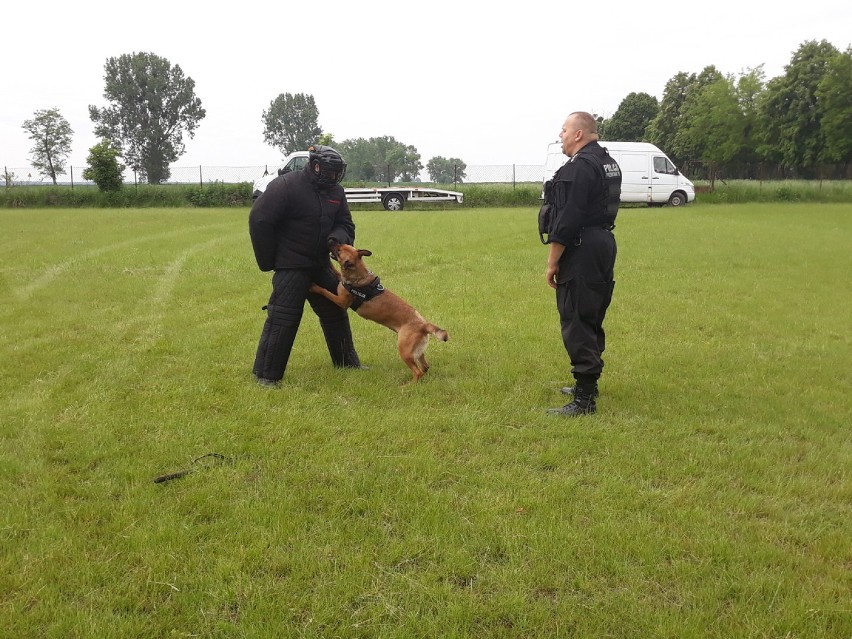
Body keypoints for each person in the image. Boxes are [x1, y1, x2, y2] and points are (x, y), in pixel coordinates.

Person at [248, 145, 362, 387]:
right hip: (291, 265)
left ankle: (347, 362)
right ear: (316, 166)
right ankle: (266, 375)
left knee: (335, 312)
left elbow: (346, 224)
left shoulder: (336, 193)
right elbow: (259, 219)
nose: (334, 177)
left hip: (320, 263)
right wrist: (269, 260)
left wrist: (336, 241)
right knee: (283, 317)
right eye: (330, 172)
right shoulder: (286, 186)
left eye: (337, 172)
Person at [543, 112, 622, 416]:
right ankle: (587, 385)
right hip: (603, 243)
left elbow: (567, 221)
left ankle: (584, 401)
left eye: (563, 130)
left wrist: (553, 262)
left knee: (576, 317)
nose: (560, 135)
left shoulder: (579, 168)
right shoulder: (606, 161)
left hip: (582, 247)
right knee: (591, 313)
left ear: (578, 134)